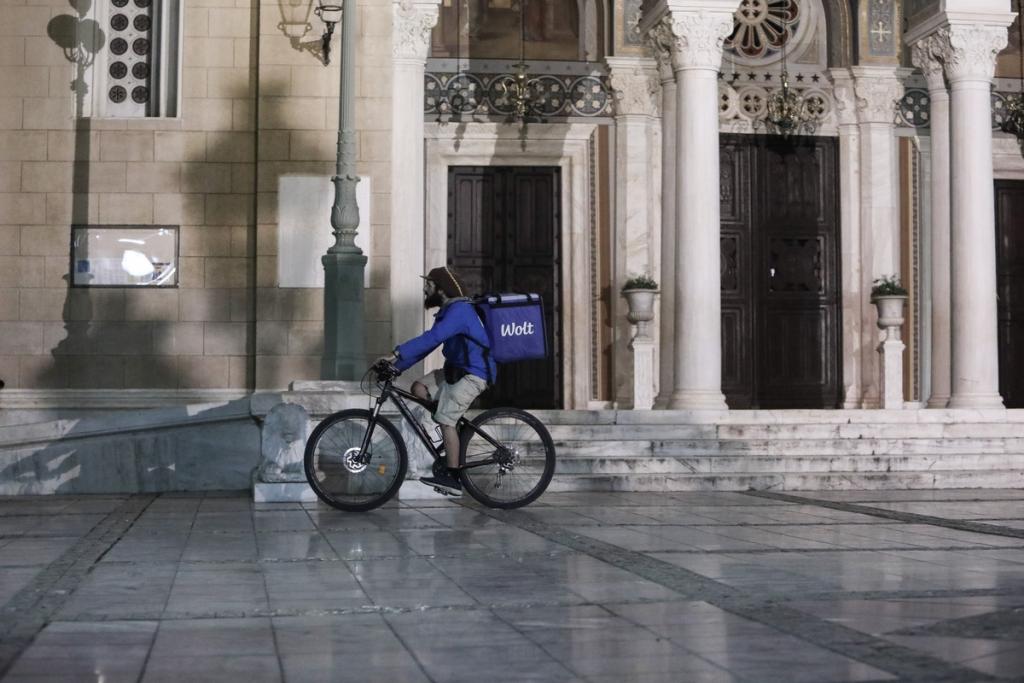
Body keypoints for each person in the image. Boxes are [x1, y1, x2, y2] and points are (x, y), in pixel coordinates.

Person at [379, 266, 496, 496]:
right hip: (455, 370)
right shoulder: (448, 310)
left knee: (445, 419)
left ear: (441, 289)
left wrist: (396, 353)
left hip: (475, 373)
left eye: (429, 284)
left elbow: (432, 338)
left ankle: (453, 479)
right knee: (419, 387)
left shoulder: (460, 311)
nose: (425, 289)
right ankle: (449, 432)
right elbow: (427, 347)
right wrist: (396, 368)